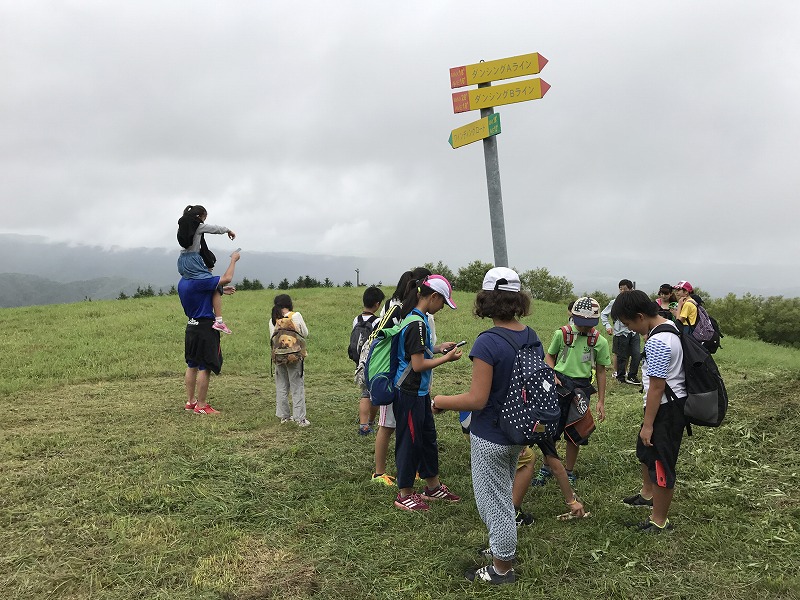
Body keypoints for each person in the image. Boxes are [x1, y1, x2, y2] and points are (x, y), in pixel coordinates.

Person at [433, 268, 584, 585]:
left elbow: (476, 399)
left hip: (491, 435)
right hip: (520, 430)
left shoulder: (487, 343)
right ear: (520, 301)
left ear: (485, 300)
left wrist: (442, 400)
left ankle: (501, 568)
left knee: (495, 502)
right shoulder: (530, 335)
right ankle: (499, 547)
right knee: (501, 496)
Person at [611, 290, 685, 532]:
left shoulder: (658, 341)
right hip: (666, 405)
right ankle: (648, 494)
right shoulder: (667, 328)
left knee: (661, 462)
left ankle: (659, 520)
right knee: (647, 452)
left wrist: (649, 424)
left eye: (629, 323)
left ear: (640, 316)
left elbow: (656, 386)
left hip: (665, 408)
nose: (630, 329)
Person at [392, 274, 462, 511]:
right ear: (433, 297)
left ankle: (432, 486)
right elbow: (418, 364)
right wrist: (446, 358)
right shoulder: (416, 323)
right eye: (443, 302)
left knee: (427, 439)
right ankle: (405, 493)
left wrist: (437, 348)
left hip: (419, 393)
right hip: (409, 393)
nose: (442, 308)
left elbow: (416, 351)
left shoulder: (417, 318)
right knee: (409, 442)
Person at [534, 297, 610, 487]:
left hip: (581, 388)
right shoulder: (562, 334)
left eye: (588, 325)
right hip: (559, 385)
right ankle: (546, 466)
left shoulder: (599, 341)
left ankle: (568, 470)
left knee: (576, 430)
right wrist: (551, 373)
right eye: (581, 324)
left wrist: (601, 400)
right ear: (572, 316)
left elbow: (601, 371)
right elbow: (549, 356)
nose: (584, 328)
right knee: (550, 428)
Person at [370, 267, 432, 487]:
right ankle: (379, 472)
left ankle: (410, 468)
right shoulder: (395, 309)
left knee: (409, 428)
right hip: (395, 378)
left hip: (413, 382)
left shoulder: (417, 312)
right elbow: (379, 337)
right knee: (388, 424)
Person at [178, 250, 240, 415]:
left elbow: (203, 293)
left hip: (191, 326)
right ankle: (202, 405)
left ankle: (191, 401)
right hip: (206, 328)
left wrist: (221, 290)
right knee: (205, 367)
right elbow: (227, 278)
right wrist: (233, 260)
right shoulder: (201, 282)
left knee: (192, 365)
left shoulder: (183, 282)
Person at [176, 205, 237, 334]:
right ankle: (219, 321)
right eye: (205, 217)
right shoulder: (198, 226)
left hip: (182, 261)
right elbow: (215, 229)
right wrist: (228, 230)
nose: (204, 220)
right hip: (193, 260)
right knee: (212, 282)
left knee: (206, 283)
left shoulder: (183, 226)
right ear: (201, 216)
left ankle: (217, 294)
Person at [269, 294, 310, 426]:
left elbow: (272, 338)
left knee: (281, 386)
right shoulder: (295, 316)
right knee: (297, 386)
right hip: (294, 356)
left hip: (279, 356)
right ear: (289, 304)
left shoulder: (272, 319)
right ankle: (300, 419)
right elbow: (305, 333)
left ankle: (284, 416)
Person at [354, 285, 385, 436]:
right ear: (378, 304)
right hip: (371, 362)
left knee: (365, 392)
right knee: (369, 394)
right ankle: (365, 425)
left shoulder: (356, 319)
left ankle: (367, 422)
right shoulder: (377, 321)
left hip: (359, 360)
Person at [601, 279, 642, 385]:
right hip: (620, 333)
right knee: (621, 356)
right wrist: (608, 325)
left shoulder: (635, 302)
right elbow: (604, 314)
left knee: (637, 355)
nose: (622, 291)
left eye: (625, 289)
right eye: (621, 289)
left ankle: (632, 375)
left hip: (634, 332)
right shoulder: (615, 302)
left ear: (631, 289)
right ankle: (621, 376)